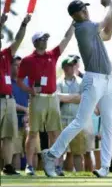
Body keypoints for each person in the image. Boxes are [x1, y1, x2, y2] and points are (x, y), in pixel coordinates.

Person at [41, 0, 112, 178]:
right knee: (80, 121)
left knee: (109, 124)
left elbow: (108, 33)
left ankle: (105, 167)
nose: (86, 12)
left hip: (108, 79)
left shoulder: (90, 28)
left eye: (85, 9)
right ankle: (51, 155)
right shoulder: (83, 28)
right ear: (76, 15)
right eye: (83, 10)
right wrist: (109, 7)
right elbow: (104, 22)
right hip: (93, 79)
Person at [17, 22, 74, 176]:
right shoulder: (27, 60)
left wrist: (73, 23)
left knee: (54, 133)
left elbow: (66, 39)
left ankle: (55, 166)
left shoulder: (52, 54)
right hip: (37, 99)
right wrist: (30, 90)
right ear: (35, 42)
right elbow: (19, 80)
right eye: (42, 39)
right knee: (33, 133)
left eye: (46, 39)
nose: (45, 41)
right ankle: (29, 166)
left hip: (53, 98)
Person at [0, 13, 31, 175]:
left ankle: (8, 166)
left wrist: (23, 25)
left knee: (9, 135)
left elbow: (17, 40)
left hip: (9, 100)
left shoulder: (5, 55)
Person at [10, 56, 41, 171]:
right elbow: (9, 101)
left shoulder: (27, 81)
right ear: (10, 66)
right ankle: (17, 177)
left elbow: (33, 99)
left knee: (34, 151)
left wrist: (28, 115)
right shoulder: (6, 81)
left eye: (20, 65)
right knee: (16, 152)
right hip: (13, 121)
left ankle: (35, 177)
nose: (19, 68)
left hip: (30, 121)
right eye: (16, 65)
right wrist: (25, 110)